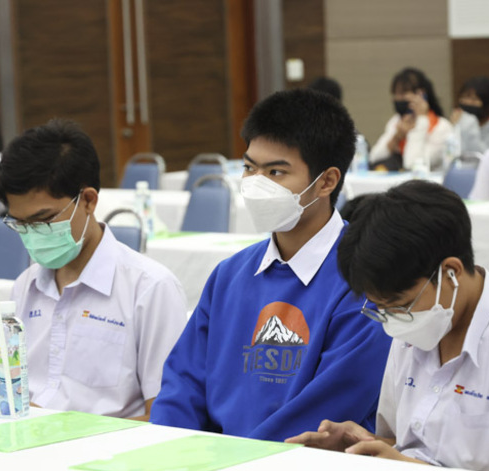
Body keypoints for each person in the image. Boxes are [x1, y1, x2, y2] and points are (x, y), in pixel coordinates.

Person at [287, 180, 489, 471]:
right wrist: (362, 445)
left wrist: (410, 470)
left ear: (451, 272)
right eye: (381, 308)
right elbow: (403, 443)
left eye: (401, 304)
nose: (392, 321)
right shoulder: (414, 328)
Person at [151, 89, 390, 441]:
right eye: (249, 168)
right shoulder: (229, 275)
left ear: (326, 181)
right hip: (208, 463)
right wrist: (169, 449)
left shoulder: (366, 281)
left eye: (276, 172)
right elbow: (182, 384)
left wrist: (234, 461)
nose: (256, 185)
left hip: (300, 465)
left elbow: (327, 415)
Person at [0, 119, 187, 419]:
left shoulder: (149, 288)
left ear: (88, 201)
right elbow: (6, 393)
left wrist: (63, 430)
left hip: (109, 447)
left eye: (44, 220)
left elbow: (166, 418)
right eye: (22, 224)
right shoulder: (25, 286)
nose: (33, 234)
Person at [369, 68, 452, 171]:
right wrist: (397, 137)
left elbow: (412, 164)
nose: (397, 98)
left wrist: (421, 121)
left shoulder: (442, 127)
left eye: (402, 94)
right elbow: (373, 157)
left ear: (421, 95)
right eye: (395, 94)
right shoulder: (396, 121)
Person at [450, 76, 489, 153]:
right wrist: (454, 128)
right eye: (464, 98)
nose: (468, 102)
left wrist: (468, 127)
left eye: (474, 99)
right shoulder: (459, 123)